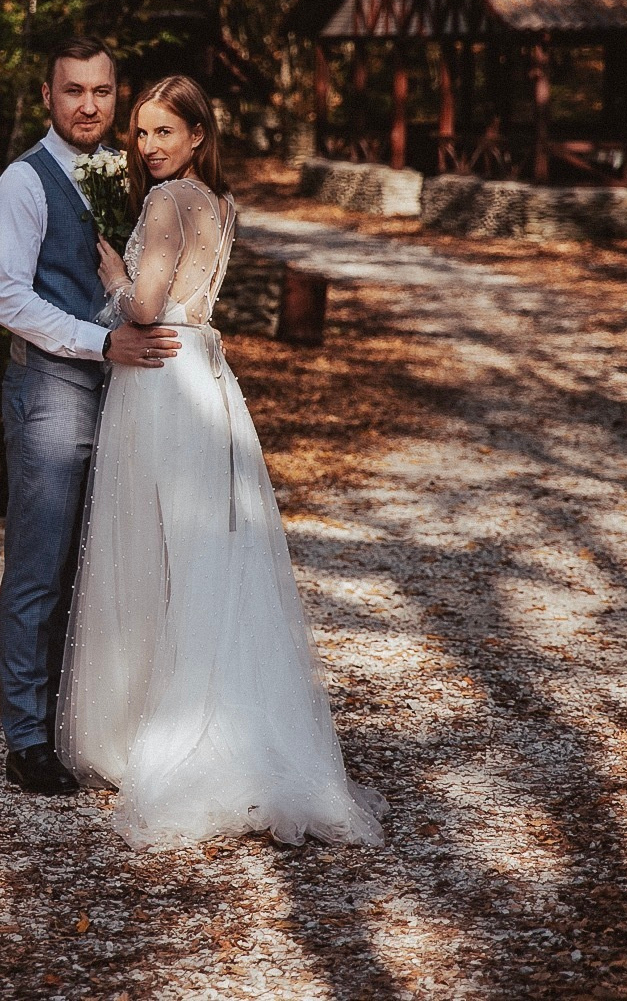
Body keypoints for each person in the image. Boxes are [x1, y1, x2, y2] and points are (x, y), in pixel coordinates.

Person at [57, 74, 386, 848]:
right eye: (141, 133)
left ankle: (162, 727)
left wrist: (114, 280)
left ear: (198, 135)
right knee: (207, 553)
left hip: (161, 382)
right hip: (207, 379)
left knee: (153, 545)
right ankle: (226, 718)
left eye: (164, 132)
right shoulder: (221, 203)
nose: (148, 146)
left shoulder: (166, 202)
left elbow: (146, 307)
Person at [0, 37, 180, 796]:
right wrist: (101, 342)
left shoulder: (130, 173)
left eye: (102, 91)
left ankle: (84, 724)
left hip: (124, 392)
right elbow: (8, 299)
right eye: (74, 91)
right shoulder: (22, 183)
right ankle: (27, 739)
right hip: (52, 391)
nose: (89, 105)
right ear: (47, 96)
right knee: (40, 566)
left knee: (103, 563)